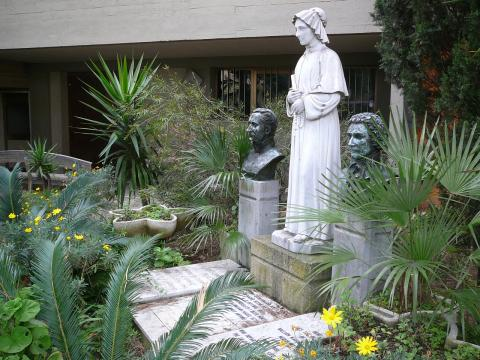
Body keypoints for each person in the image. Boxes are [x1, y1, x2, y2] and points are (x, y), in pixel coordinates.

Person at [283, 7, 349, 242]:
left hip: (320, 125)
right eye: (296, 29)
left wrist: (306, 103)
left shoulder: (329, 57)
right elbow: (299, 92)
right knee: (301, 172)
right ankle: (299, 225)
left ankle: (317, 229)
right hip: (303, 127)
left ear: (313, 29)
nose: (297, 34)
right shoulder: (302, 60)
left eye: (301, 29)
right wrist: (292, 99)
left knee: (314, 170)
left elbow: (333, 95)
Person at [242, 108, 284, 181]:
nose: (248, 129)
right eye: (249, 124)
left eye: (254, 125)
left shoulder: (274, 156)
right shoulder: (248, 154)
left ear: (267, 130)